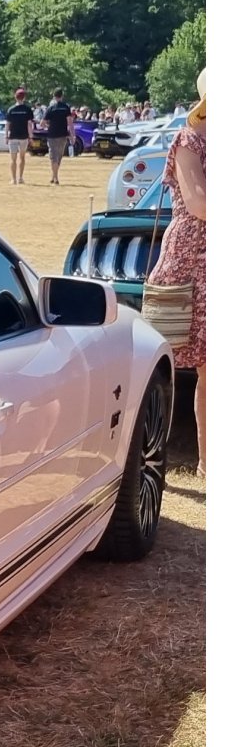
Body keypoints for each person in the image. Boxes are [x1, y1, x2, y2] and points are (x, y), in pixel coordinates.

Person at [146, 68, 208, 478]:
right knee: (159, 361)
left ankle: (208, 463)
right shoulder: (189, 139)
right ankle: (147, 456)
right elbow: (199, 202)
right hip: (192, 258)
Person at [43, 87, 73, 184]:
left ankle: (55, 177)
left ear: (54, 96)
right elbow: (70, 123)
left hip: (52, 134)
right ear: (62, 96)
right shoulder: (66, 107)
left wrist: (48, 125)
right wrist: (72, 135)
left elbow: (42, 123)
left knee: (53, 156)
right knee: (59, 156)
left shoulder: (51, 108)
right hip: (63, 134)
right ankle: (54, 177)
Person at [5, 87, 33, 184]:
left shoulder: (11, 110)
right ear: (24, 98)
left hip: (13, 136)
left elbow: (7, 124)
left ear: (15, 97)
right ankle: (20, 177)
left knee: (13, 159)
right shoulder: (27, 109)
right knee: (22, 157)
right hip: (24, 137)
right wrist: (31, 136)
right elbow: (29, 124)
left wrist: (6, 136)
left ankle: (13, 179)